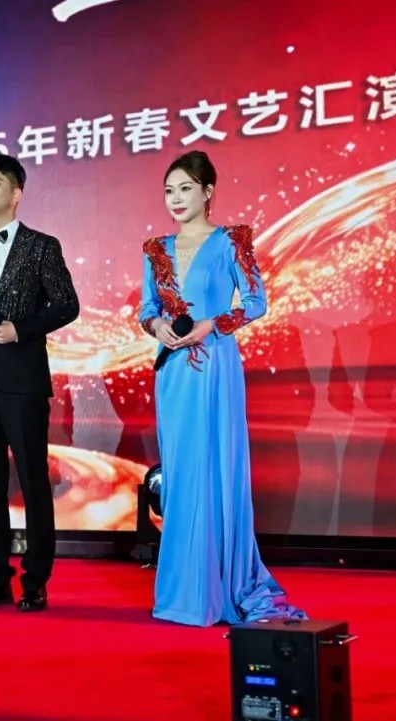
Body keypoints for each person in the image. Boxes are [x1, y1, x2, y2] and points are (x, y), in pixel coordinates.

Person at [138, 150, 306, 626]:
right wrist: (157, 326)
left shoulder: (232, 241)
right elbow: (147, 308)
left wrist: (211, 324)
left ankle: (220, 585)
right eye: (169, 191)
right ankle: (184, 590)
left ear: (208, 192)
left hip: (214, 364)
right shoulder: (155, 249)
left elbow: (256, 302)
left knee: (214, 466)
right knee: (181, 471)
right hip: (173, 370)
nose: (176, 199)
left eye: (185, 189)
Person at [0, 154, 80, 612]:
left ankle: (36, 580)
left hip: (23, 379)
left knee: (32, 480)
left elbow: (66, 304)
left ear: (16, 193)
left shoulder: (41, 246)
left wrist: (19, 330)